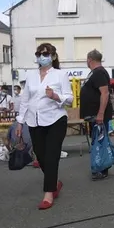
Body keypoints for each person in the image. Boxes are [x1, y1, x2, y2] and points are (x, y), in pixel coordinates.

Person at [16, 43, 73, 210]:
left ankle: (49, 193)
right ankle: (55, 182)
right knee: (40, 156)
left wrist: (55, 96)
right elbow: (25, 100)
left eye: (46, 53)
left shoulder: (60, 75)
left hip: (56, 119)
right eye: (39, 53)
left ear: (53, 56)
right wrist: (20, 121)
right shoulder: (30, 75)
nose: (42, 56)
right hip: (35, 121)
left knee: (51, 155)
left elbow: (69, 99)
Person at [80, 49, 114, 180]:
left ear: (90, 59)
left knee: (100, 142)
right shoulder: (95, 73)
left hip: (98, 115)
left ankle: (101, 168)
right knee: (98, 141)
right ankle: (100, 166)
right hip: (94, 115)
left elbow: (104, 93)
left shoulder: (99, 72)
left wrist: (100, 114)